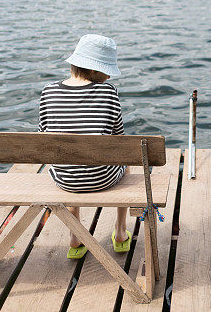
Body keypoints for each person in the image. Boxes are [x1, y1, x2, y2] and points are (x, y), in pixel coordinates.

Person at [38, 34, 131, 259]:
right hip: (103, 178)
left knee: (67, 158)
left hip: (65, 180)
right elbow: (119, 139)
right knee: (126, 162)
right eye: (107, 70)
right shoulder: (108, 92)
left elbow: (43, 137)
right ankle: (119, 232)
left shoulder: (48, 91)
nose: (109, 75)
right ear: (96, 71)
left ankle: (75, 236)